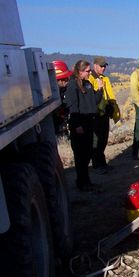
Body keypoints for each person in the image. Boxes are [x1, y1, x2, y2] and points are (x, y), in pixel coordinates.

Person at [64, 60, 103, 191]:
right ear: (80, 71)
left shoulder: (87, 84)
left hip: (89, 122)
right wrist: (77, 125)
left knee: (87, 154)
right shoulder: (72, 85)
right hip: (79, 124)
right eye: (87, 71)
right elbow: (72, 107)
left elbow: (94, 101)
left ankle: (87, 181)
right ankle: (81, 182)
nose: (89, 73)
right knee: (80, 156)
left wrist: (100, 89)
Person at [88, 56, 121, 173]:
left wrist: (113, 108)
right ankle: (97, 165)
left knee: (103, 139)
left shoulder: (105, 78)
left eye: (104, 66)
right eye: (101, 66)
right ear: (95, 65)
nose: (103, 68)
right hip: (96, 114)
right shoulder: (90, 78)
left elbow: (109, 95)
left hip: (105, 112)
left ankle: (102, 163)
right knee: (96, 140)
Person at [52, 60, 72, 135]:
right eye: (65, 79)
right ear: (58, 80)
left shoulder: (63, 90)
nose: (67, 81)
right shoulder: (51, 96)